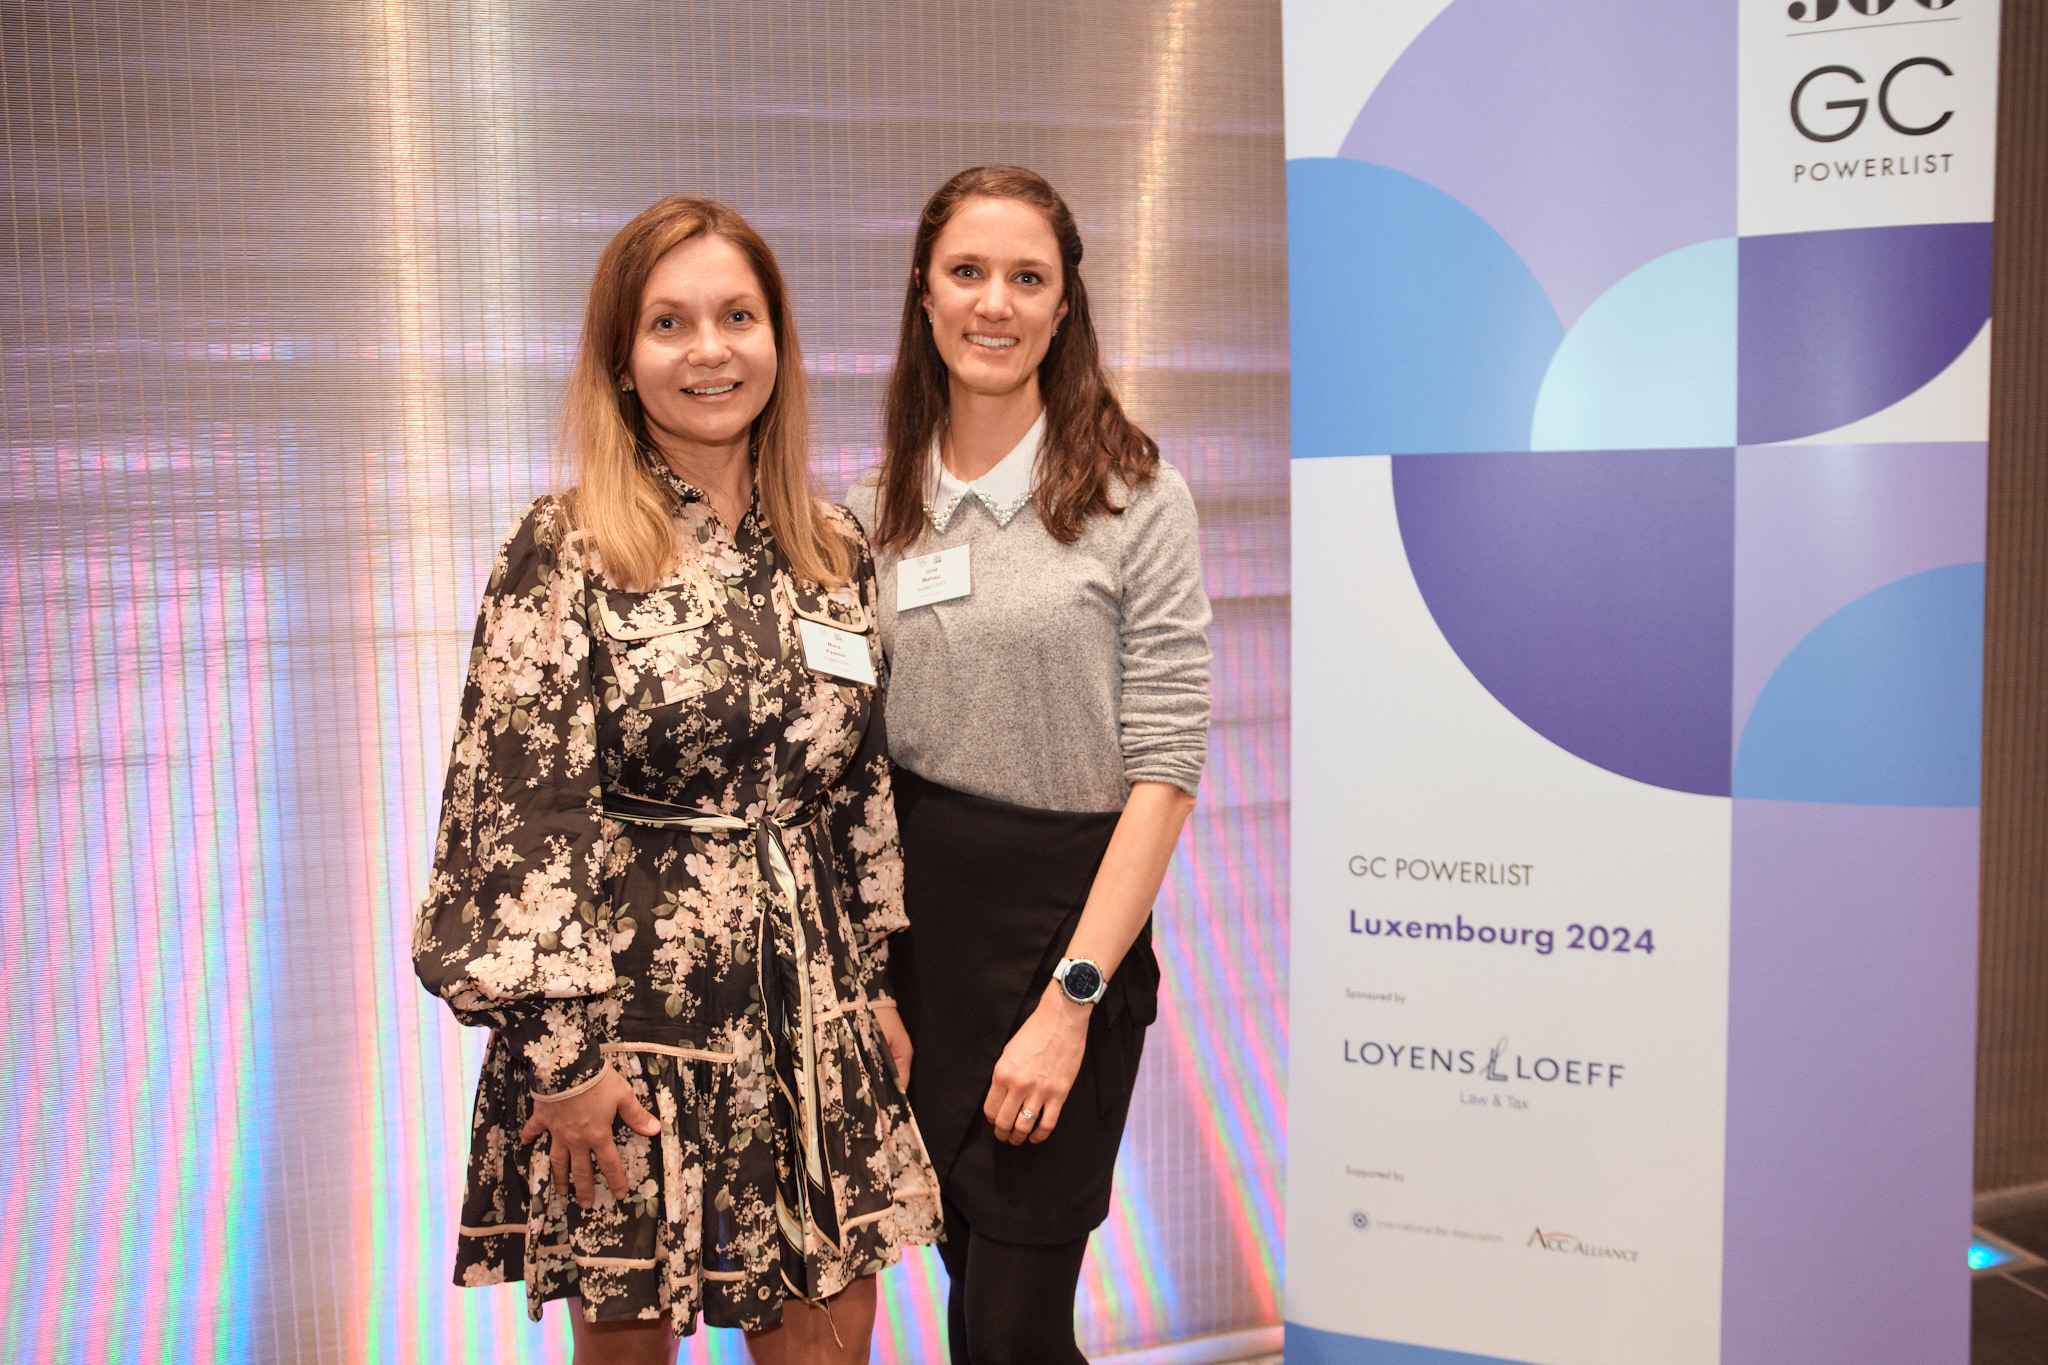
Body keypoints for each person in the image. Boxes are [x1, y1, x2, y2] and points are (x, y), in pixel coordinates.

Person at [413, 194, 940, 1365]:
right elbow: (517, 814)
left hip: (813, 1013)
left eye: (737, 316)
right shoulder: (566, 546)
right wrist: (563, 1062)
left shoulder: (833, 546)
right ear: (622, 356)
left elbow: (856, 792)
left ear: (777, 339)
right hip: (629, 1038)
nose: (710, 349)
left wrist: (872, 987)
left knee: (830, 1345)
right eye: (670, 322)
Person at [846, 166, 1212, 1365]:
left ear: (1063, 306)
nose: (992, 302)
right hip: (923, 945)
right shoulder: (871, 509)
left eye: (1025, 277)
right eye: (967, 272)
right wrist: (870, 981)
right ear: (923, 293)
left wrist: (1070, 1003)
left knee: (1010, 1326)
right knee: (970, 1296)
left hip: (1069, 932)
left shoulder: (1135, 499)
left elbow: (1165, 770)